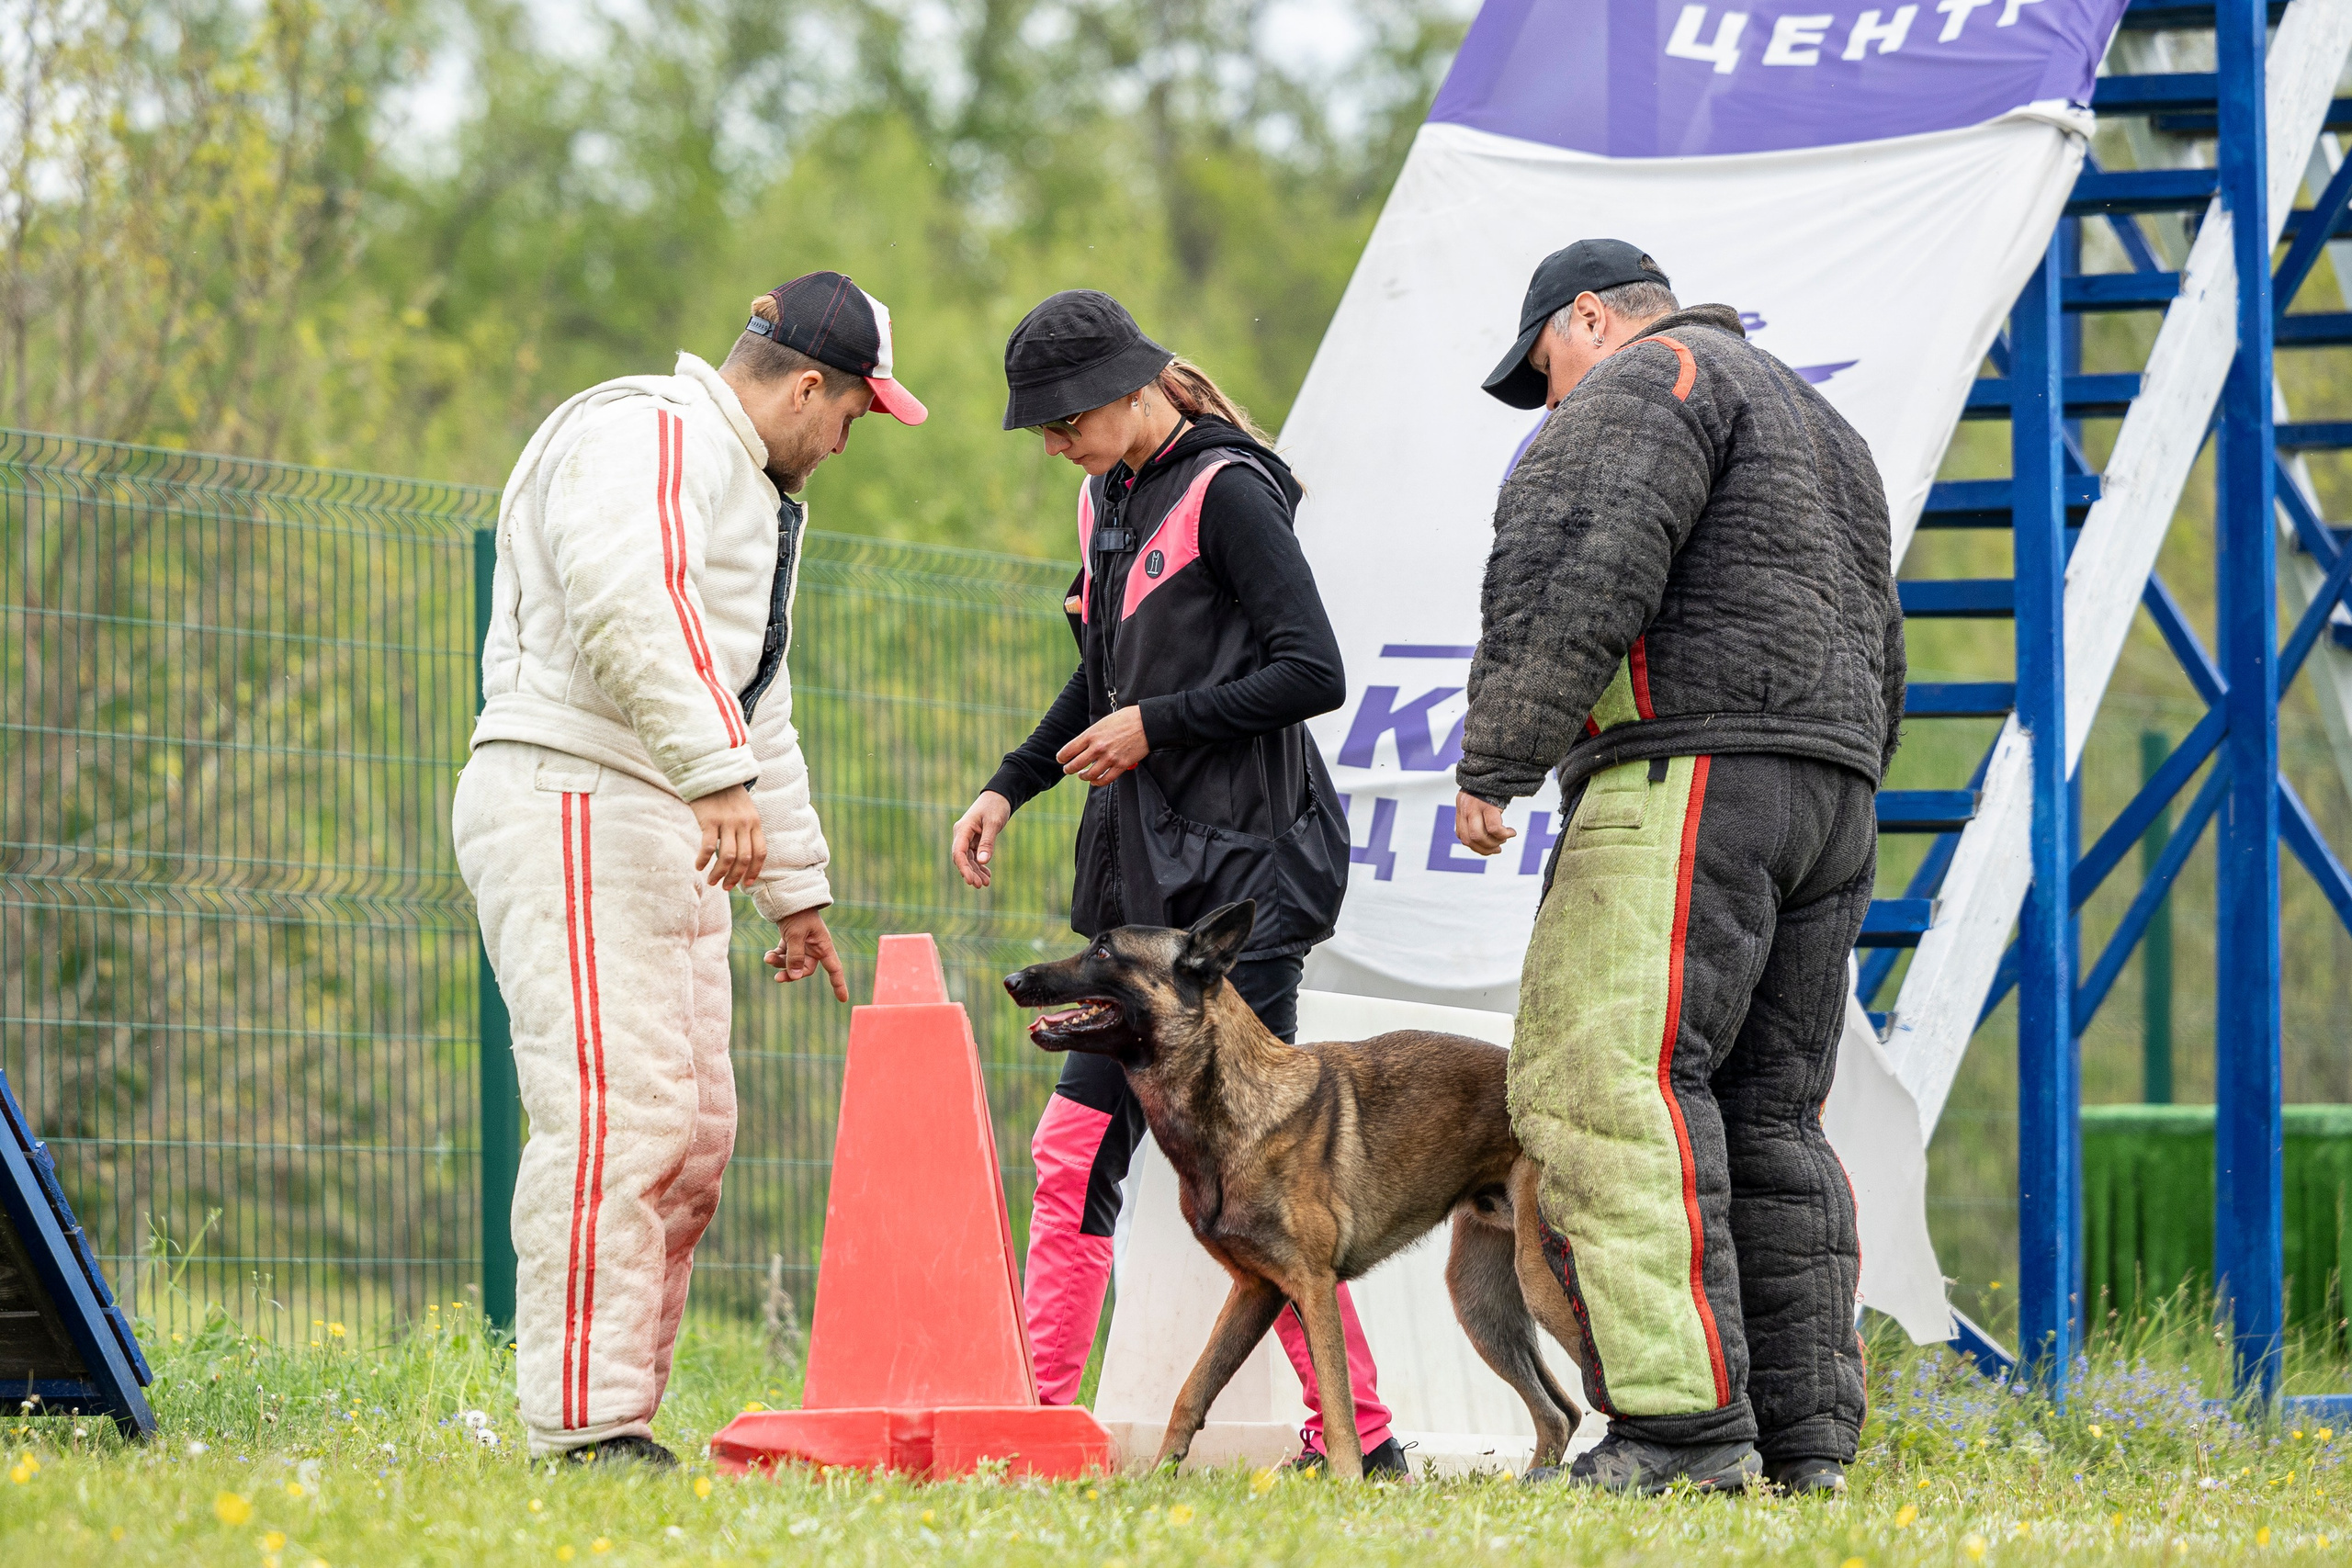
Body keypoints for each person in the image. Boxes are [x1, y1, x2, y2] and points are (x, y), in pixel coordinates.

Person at [1453, 240, 1905, 1495]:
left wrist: (1499, 756)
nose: (1550, 399)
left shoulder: (1645, 385)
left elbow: (1578, 568)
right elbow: (1880, 629)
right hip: (1830, 789)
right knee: (1768, 1114)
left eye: (1545, 366)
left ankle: (1681, 1433)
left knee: (1614, 1086)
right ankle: (1800, 1443)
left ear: (1589, 316)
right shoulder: (1817, 418)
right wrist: (1848, 772)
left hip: (1690, 773)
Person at [457, 272, 926, 1463]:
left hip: (669, 802)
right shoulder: (647, 430)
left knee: (695, 1128)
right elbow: (630, 607)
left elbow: (751, 703)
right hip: (576, 784)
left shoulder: (745, 491)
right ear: (810, 385)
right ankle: (583, 1423)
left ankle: (624, 1415)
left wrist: (798, 890)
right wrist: (716, 776)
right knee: (616, 1116)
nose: (846, 441)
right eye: (855, 416)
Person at [948, 289, 1406, 1474]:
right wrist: (1011, 783)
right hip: (1141, 894)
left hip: (1241, 894)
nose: (1052, 446)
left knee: (1262, 1186)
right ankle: (1039, 1430)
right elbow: (1096, 681)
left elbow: (1316, 670)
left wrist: (1160, 725)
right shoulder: (1105, 498)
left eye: (1060, 425)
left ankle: (1361, 1438)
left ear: (1120, 393)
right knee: (1076, 1155)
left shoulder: (1232, 492)